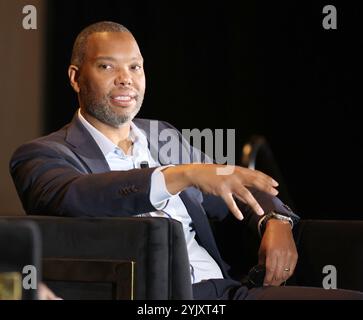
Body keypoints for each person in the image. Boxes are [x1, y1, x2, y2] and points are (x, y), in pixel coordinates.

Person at [9, 21, 363, 300]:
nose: (126, 80)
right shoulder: (42, 154)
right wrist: (180, 176)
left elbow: (231, 183)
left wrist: (276, 219)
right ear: (75, 78)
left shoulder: (162, 135)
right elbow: (75, 198)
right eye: (107, 66)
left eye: (135, 67)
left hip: (227, 290)